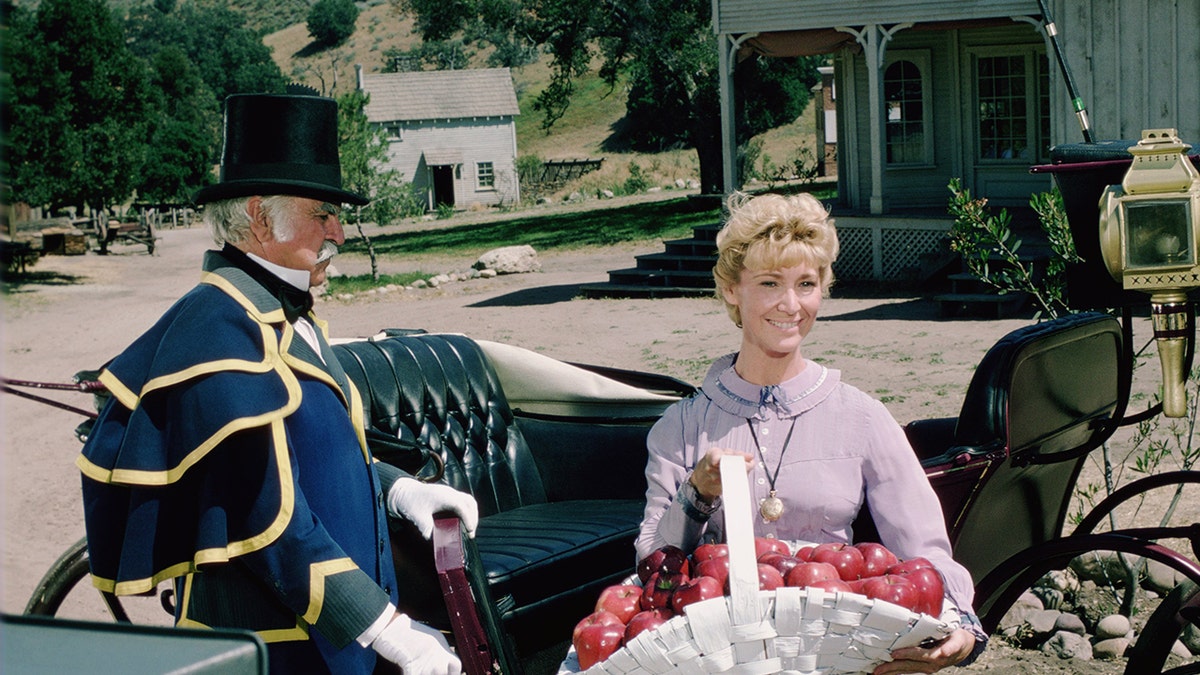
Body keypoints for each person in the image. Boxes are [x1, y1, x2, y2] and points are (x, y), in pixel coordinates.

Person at [77, 90, 478, 675]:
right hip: (279, 647)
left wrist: (394, 488)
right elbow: (265, 519)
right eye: (323, 214)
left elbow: (309, 458)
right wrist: (386, 628)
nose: (339, 232)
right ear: (261, 217)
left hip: (334, 638)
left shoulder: (283, 311)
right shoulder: (218, 329)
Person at [634, 191, 986, 673]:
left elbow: (924, 550)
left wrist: (961, 630)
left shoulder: (863, 417)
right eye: (769, 282)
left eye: (806, 283)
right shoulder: (682, 426)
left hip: (837, 656)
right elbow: (653, 562)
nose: (790, 304)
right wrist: (697, 494)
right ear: (732, 290)